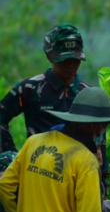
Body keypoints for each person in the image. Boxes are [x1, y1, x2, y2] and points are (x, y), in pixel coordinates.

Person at [0, 24, 88, 153]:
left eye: (75, 59)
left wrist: (102, 169)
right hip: (37, 167)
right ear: (49, 57)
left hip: (79, 168)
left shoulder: (87, 93)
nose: (71, 64)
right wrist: (10, 155)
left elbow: (98, 133)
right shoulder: (30, 89)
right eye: (64, 59)